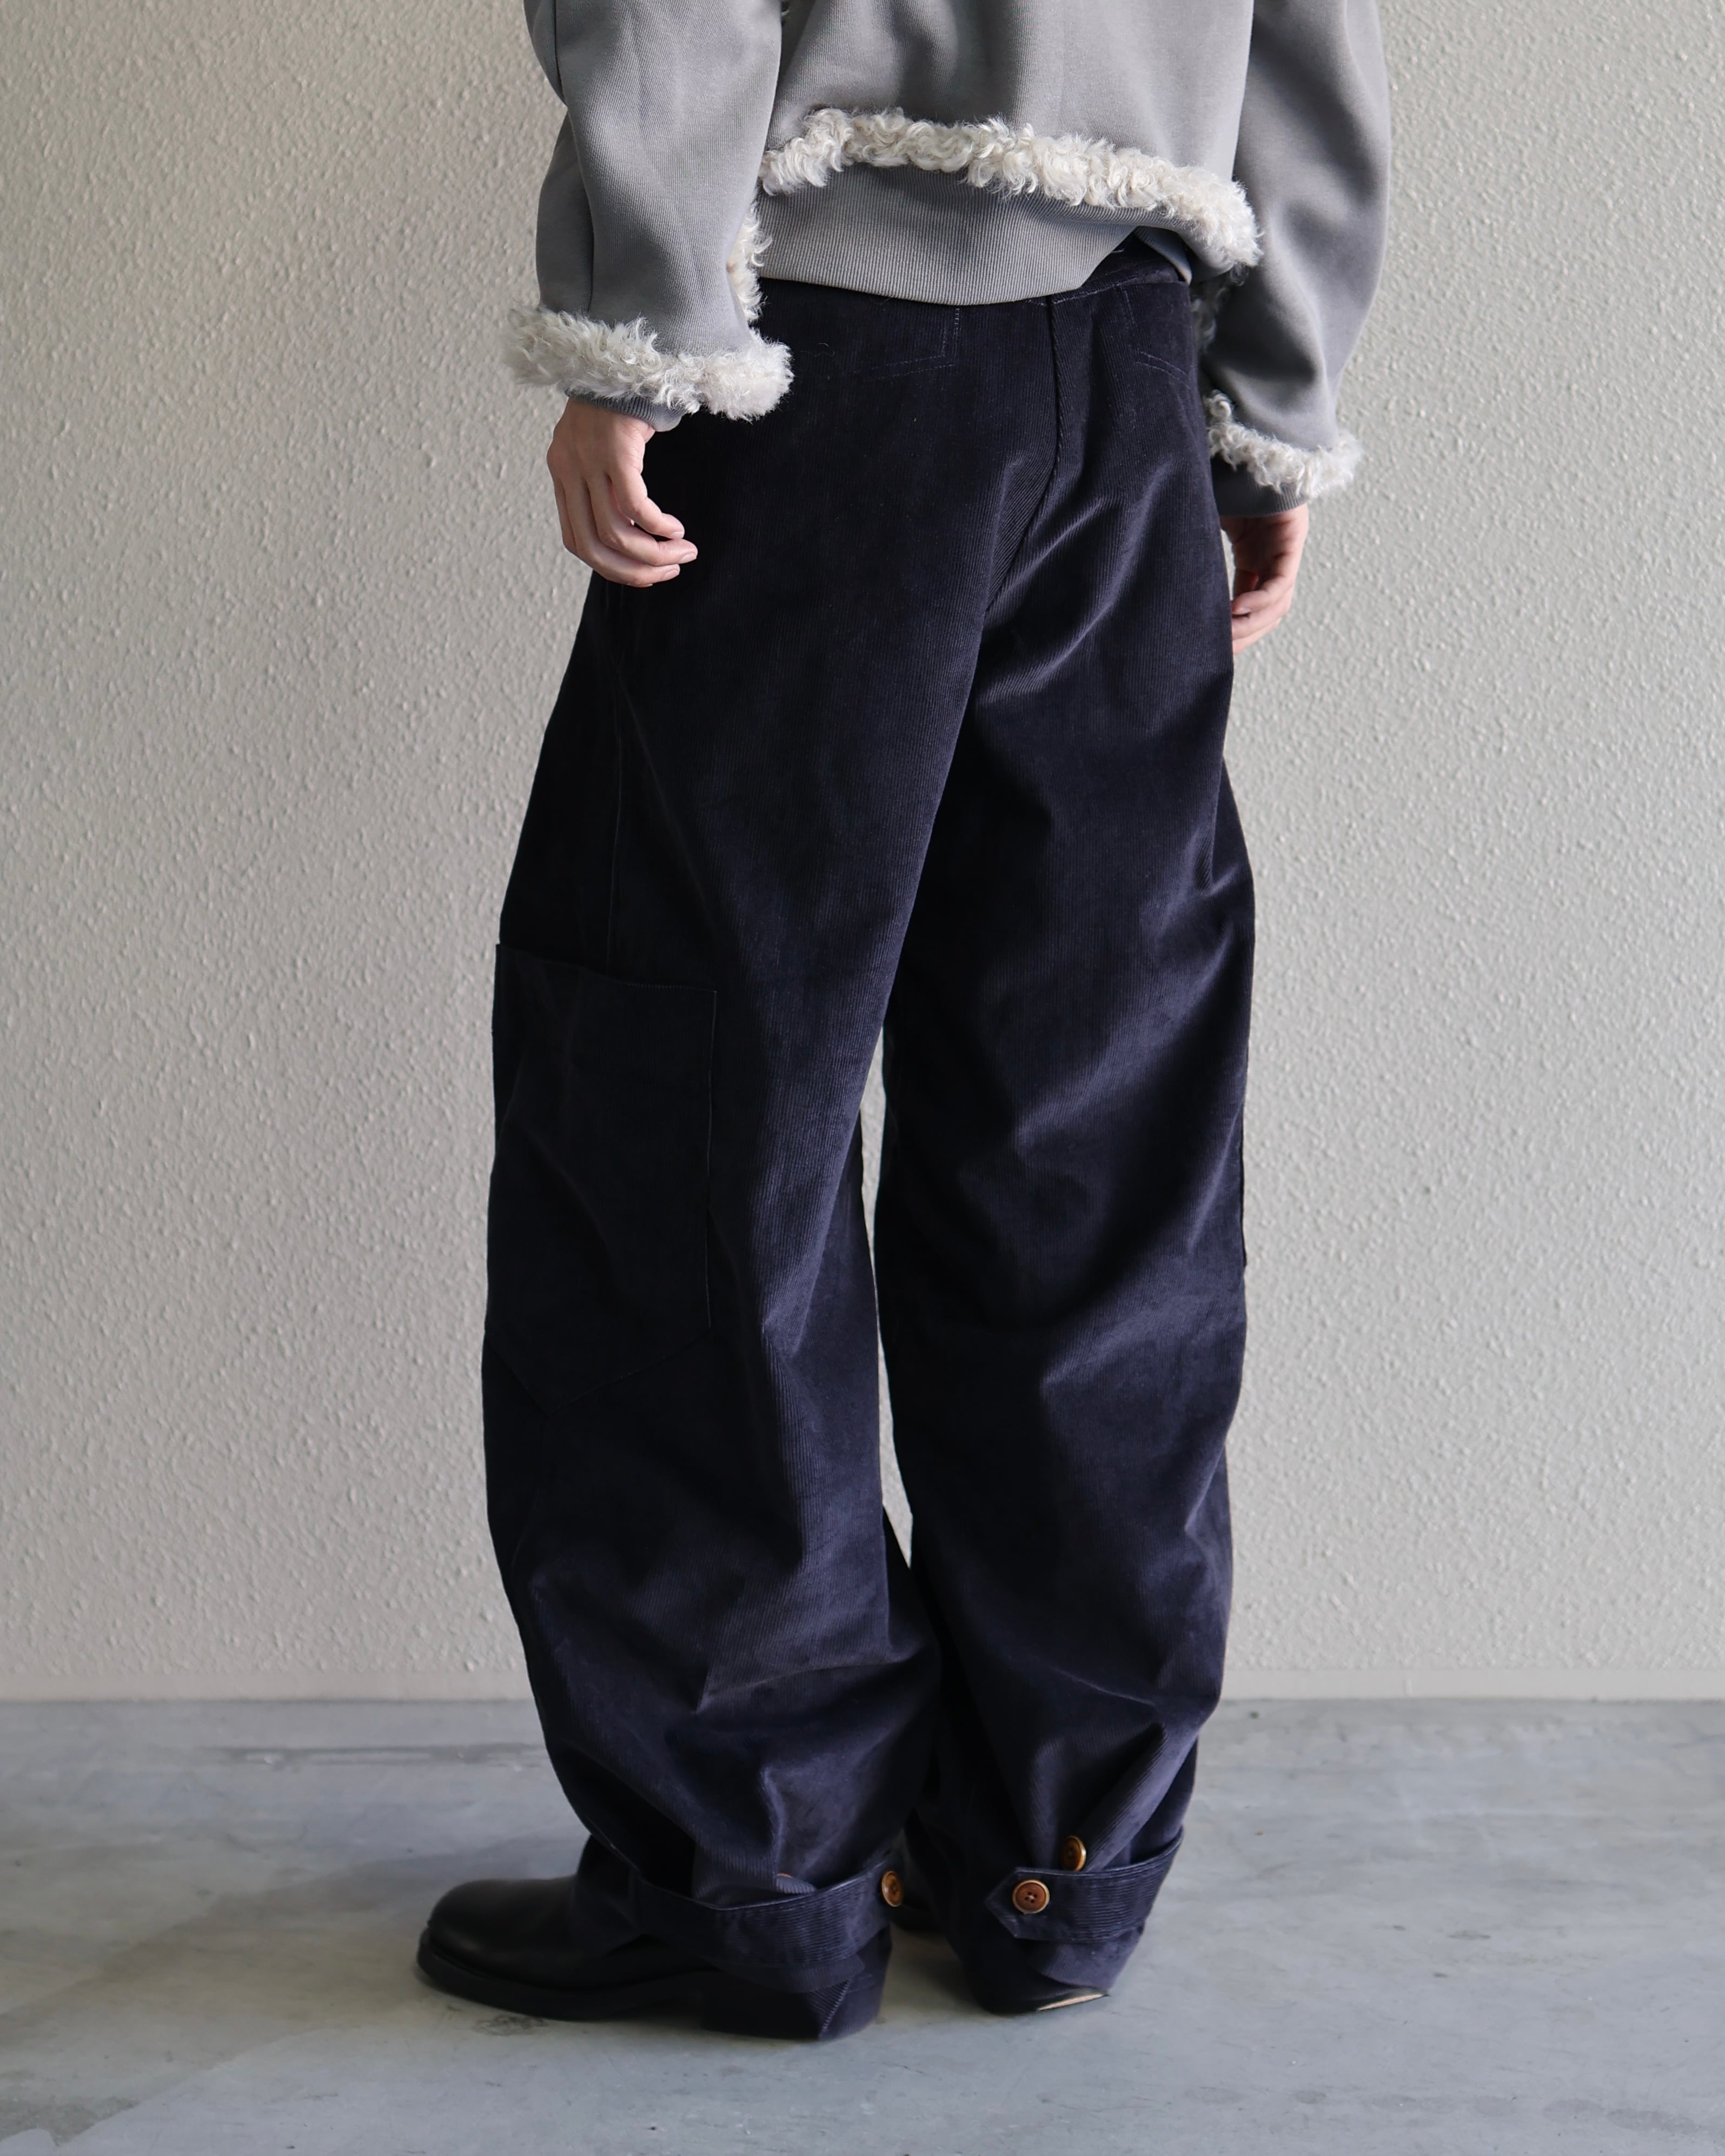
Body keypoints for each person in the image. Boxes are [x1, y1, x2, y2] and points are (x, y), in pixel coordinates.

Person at [416, 0, 1390, 2041]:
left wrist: (642, 327)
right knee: (1087, 1127)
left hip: (823, 365)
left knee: (699, 1115)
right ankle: (1056, 1852)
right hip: (1126, 376)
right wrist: (1269, 392)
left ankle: (754, 1870)